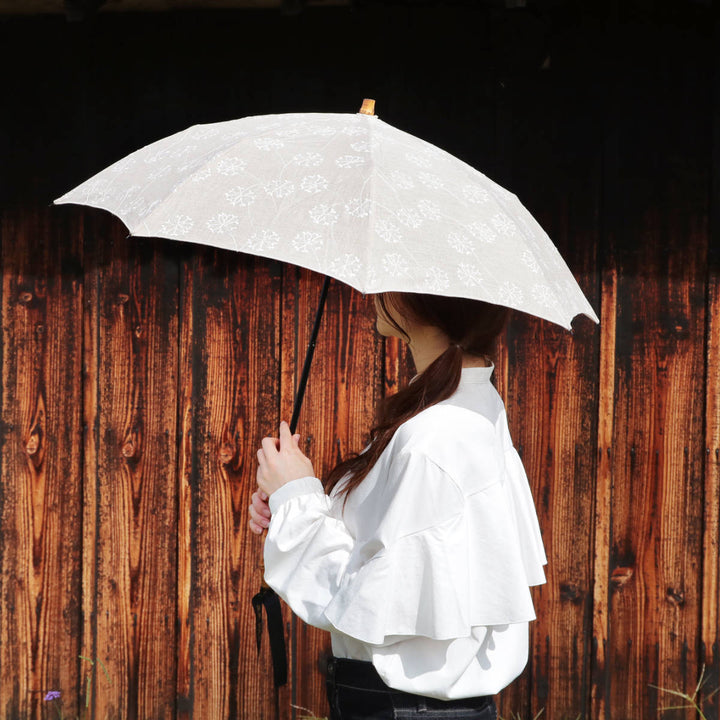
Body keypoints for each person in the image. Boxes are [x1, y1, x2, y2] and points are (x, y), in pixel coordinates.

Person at [249, 292, 547, 720]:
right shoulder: (466, 409)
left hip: (399, 707)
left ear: (421, 304)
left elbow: (366, 599)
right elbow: (392, 545)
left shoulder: (434, 434)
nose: (377, 294)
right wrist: (290, 499)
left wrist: (298, 501)